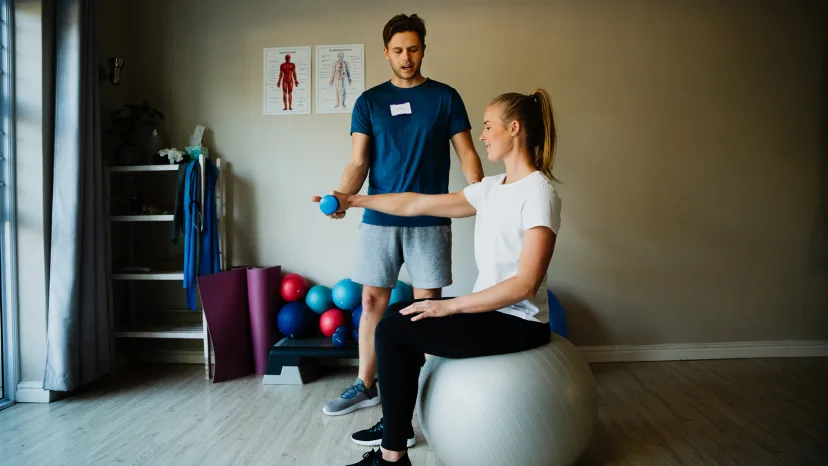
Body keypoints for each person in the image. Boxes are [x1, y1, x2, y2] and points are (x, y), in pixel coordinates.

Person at [315, 87, 561, 465]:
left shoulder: (539, 192)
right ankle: (395, 439)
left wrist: (452, 308)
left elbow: (525, 284)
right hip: (493, 314)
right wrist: (353, 200)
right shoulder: (492, 189)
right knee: (398, 314)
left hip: (521, 321)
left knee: (396, 329)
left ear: (514, 129)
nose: (481, 135)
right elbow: (414, 202)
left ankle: (392, 457)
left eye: (487, 126)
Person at [319, 13, 484, 419]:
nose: (406, 57)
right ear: (386, 53)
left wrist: (482, 193)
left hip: (430, 218)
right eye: (398, 50)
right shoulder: (369, 102)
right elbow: (358, 162)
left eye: (413, 49)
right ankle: (366, 384)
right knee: (372, 301)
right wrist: (344, 196)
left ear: (423, 49)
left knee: (427, 308)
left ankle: (426, 390)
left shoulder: (445, 98)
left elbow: (467, 153)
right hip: (380, 218)